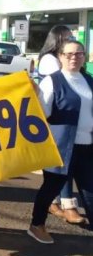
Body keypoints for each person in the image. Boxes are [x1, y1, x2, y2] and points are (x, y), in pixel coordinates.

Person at [28, 40, 93, 244]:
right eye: (69, 54)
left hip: (87, 146)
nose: (74, 58)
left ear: (84, 57)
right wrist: (35, 95)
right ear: (60, 57)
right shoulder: (52, 81)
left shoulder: (88, 80)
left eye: (79, 54)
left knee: (90, 191)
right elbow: (43, 113)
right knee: (51, 188)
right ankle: (37, 225)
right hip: (61, 147)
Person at [36, 25, 84, 224]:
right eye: (67, 37)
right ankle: (66, 206)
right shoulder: (50, 61)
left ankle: (56, 203)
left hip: (74, 128)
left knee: (62, 172)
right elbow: (63, 83)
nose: (71, 40)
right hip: (58, 125)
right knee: (61, 170)